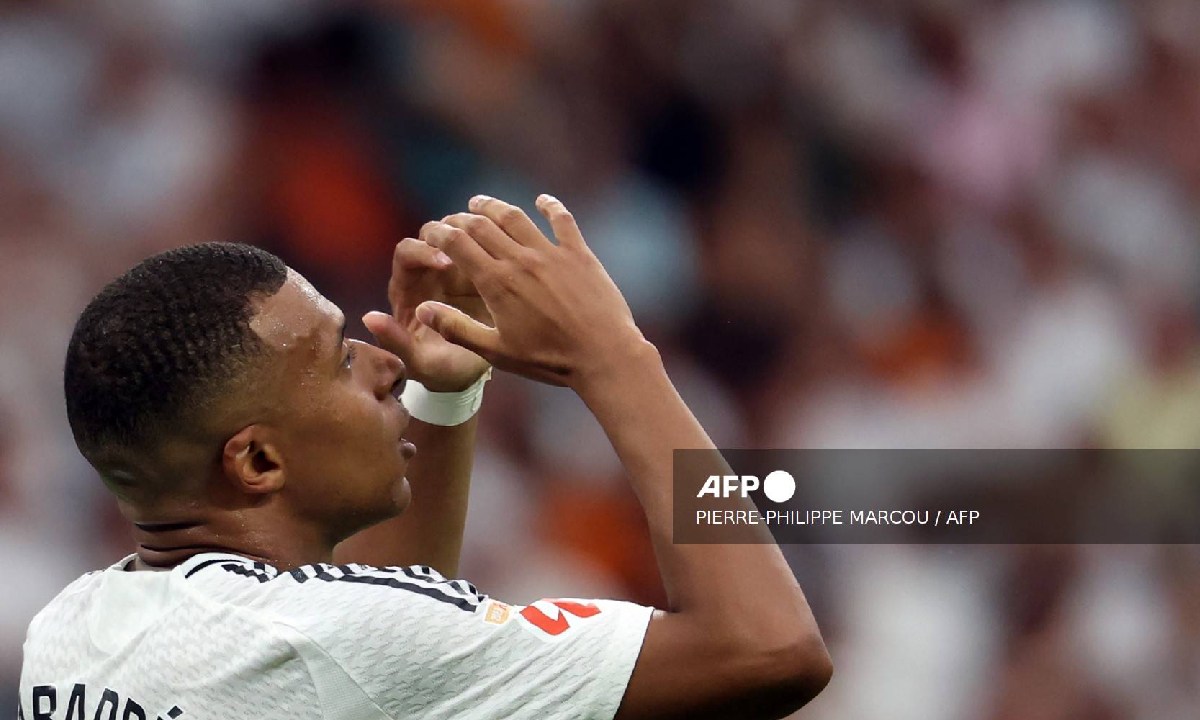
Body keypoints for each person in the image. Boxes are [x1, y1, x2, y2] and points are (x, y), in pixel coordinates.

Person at [20, 194, 831, 719]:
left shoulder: (69, 632)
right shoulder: (325, 643)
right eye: (340, 360)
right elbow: (767, 647)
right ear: (258, 463)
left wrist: (444, 399)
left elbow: (374, 660)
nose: (384, 363)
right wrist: (615, 358)